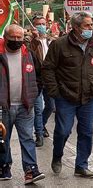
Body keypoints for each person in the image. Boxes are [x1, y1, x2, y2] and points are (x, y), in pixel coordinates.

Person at [42, 12, 93, 178]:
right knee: (63, 131)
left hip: (89, 97)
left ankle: (81, 165)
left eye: (91, 25)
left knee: (86, 132)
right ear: (76, 27)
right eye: (87, 26)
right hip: (65, 96)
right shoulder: (59, 44)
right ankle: (57, 156)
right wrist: (54, 91)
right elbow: (48, 68)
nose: (90, 28)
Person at [0, 24, 45, 184]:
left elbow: (39, 75)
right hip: (3, 107)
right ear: (6, 37)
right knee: (3, 139)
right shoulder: (0, 54)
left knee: (27, 138)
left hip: (25, 106)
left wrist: (33, 96)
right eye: (13, 37)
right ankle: (4, 166)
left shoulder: (29, 54)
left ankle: (31, 170)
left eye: (20, 37)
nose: (17, 40)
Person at [29, 15, 55, 147]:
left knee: (51, 106)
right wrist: (34, 39)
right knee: (38, 109)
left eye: (43, 24)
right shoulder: (30, 41)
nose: (41, 26)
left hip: (50, 80)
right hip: (36, 80)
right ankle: (39, 134)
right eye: (38, 24)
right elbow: (29, 55)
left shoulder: (52, 41)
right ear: (33, 26)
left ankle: (42, 125)